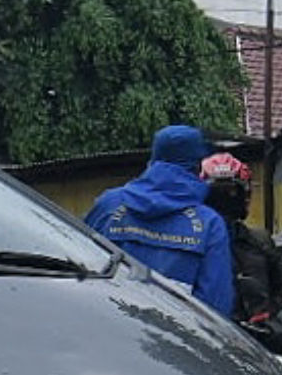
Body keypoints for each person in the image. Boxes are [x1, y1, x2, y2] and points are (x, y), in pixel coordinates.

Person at [86, 125, 235, 316]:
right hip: (173, 341)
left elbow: (79, 269)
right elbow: (216, 307)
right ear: (197, 165)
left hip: (106, 329)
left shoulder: (107, 206)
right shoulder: (209, 225)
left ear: (153, 160)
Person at [200, 152, 282, 325]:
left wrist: (266, 315)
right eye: (218, 194)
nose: (225, 201)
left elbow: (280, 291)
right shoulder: (193, 241)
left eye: (231, 193)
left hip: (257, 336)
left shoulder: (259, 241)